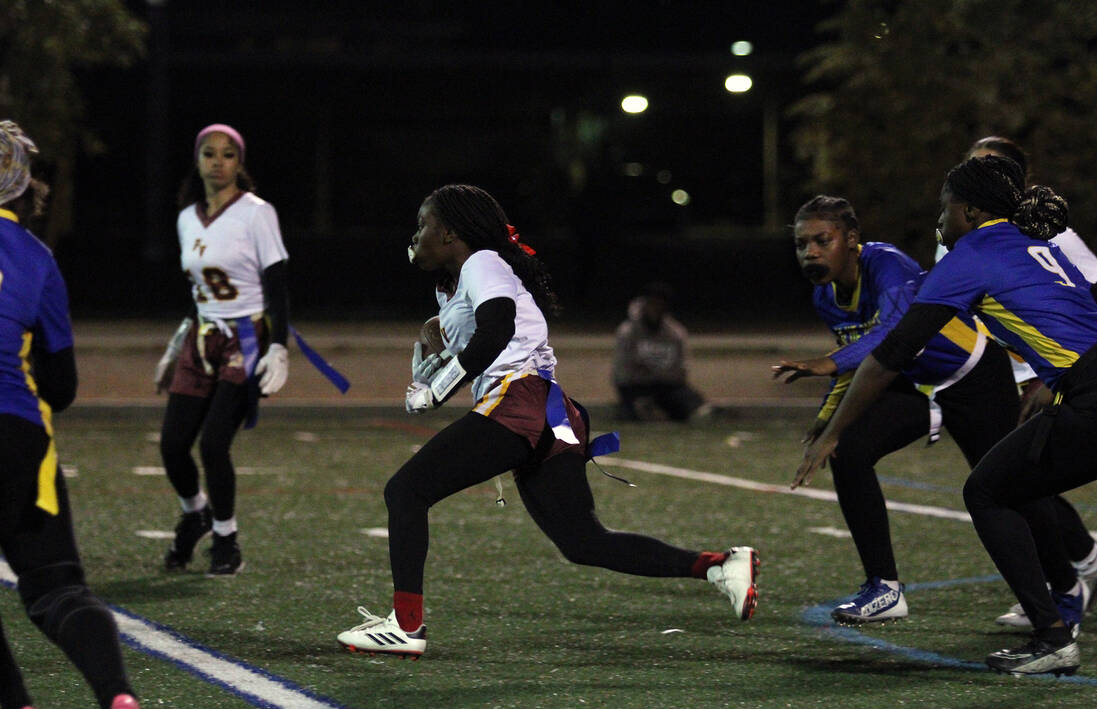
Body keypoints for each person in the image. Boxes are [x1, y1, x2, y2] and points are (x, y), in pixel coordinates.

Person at [796, 155, 1097, 676]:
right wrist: (1057, 373)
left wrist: (834, 432)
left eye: (944, 209)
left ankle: (1052, 636)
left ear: (968, 211)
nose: (938, 221)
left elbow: (891, 353)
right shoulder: (1036, 242)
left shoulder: (969, 256)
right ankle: (1062, 603)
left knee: (987, 491)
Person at [336, 184, 758, 657]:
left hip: (522, 403)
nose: (415, 235)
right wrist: (438, 354)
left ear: (450, 232)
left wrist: (439, 387)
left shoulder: (481, 262)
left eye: (423, 225)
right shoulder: (454, 285)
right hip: (550, 414)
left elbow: (498, 327)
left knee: (406, 491)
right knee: (584, 543)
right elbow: (486, 340)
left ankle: (406, 626)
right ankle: (719, 566)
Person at [773, 196, 1089, 629]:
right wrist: (828, 422)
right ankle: (884, 588)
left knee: (1008, 487)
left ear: (851, 239)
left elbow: (893, 336)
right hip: (912, 382)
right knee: (848, 450)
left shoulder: (886, 264)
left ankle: (1068, 588)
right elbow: (858, 367)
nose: (810, 252)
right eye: (801, 244)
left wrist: (829, 362)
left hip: (970, 375)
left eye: (821, 240)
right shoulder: (825, 296)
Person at [0, 120, 161, 709]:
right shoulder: (37, 258)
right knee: (57, 589)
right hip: (20, 437)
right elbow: (61, 388)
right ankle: (118, 700)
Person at [937, 136, 1097, 629]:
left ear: (1020, 182)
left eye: (992, 168)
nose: (978, 177)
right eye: (971, 166)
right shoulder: (961, 226)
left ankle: (1068, 587)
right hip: (984, 373)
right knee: (1007, 481)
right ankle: (1079, 570)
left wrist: (1053, 378)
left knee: (1011, 482)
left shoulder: (1049, 233)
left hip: (1044, 377)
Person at [155, 123, 291, 576]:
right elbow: (198, 293)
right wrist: (176, 344)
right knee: (173, 444)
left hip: (245, 337)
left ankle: (226, 538)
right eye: (209, 153)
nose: (218, 162)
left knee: (214, 444)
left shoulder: (256, 213)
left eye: (228, 154)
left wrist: (278, 346)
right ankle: (195, 513)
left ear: (239, 162)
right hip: (201, 336)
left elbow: (278, 288)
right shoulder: (186, 217)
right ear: (197, 161)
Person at [612, 281, 710, 421]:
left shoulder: (676, 333)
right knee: (632, 413)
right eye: (652, 303)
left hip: (665, 385)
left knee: (693, 407)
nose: (655, 308)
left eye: (659, 304)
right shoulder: (627, 332)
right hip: (635, 386)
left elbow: (681, 370)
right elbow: (622, 372)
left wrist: (657, 374)